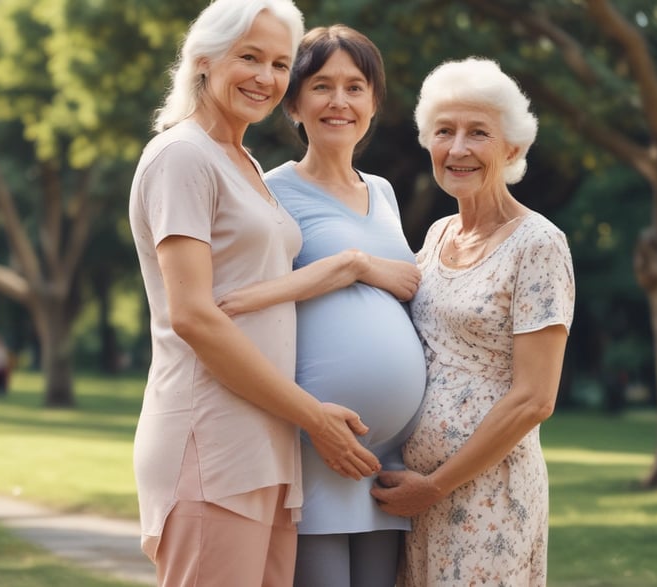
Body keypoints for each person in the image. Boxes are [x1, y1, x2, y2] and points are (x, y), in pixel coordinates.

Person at [128, 2, 381, 585]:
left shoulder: (240, 160)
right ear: (204, 59)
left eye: (279, 64)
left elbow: (253, 289)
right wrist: (313, 417)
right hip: (210, 445)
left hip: (266, 446)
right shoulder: (182, 155)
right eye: (249, 57)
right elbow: (194, 316)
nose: (265, 77)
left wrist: (358, 267)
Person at [217, 25, 427, 587]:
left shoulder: (383, 192)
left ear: (374, 103)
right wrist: (353, 265)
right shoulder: (269, 191)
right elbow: (237, 302)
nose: (340, 101)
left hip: (387, 454)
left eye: (355, 87)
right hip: (315, 442)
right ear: (293, 104)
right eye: (321, 86)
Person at [370, 57, 575, 586]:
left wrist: (436, 485)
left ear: (512, 149)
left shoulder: (538, 244)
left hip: (487, 495)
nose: (458, 148)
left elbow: (535, 399)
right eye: (444, 131)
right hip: (416, 496)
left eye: (478, 133)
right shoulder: (437, 235)